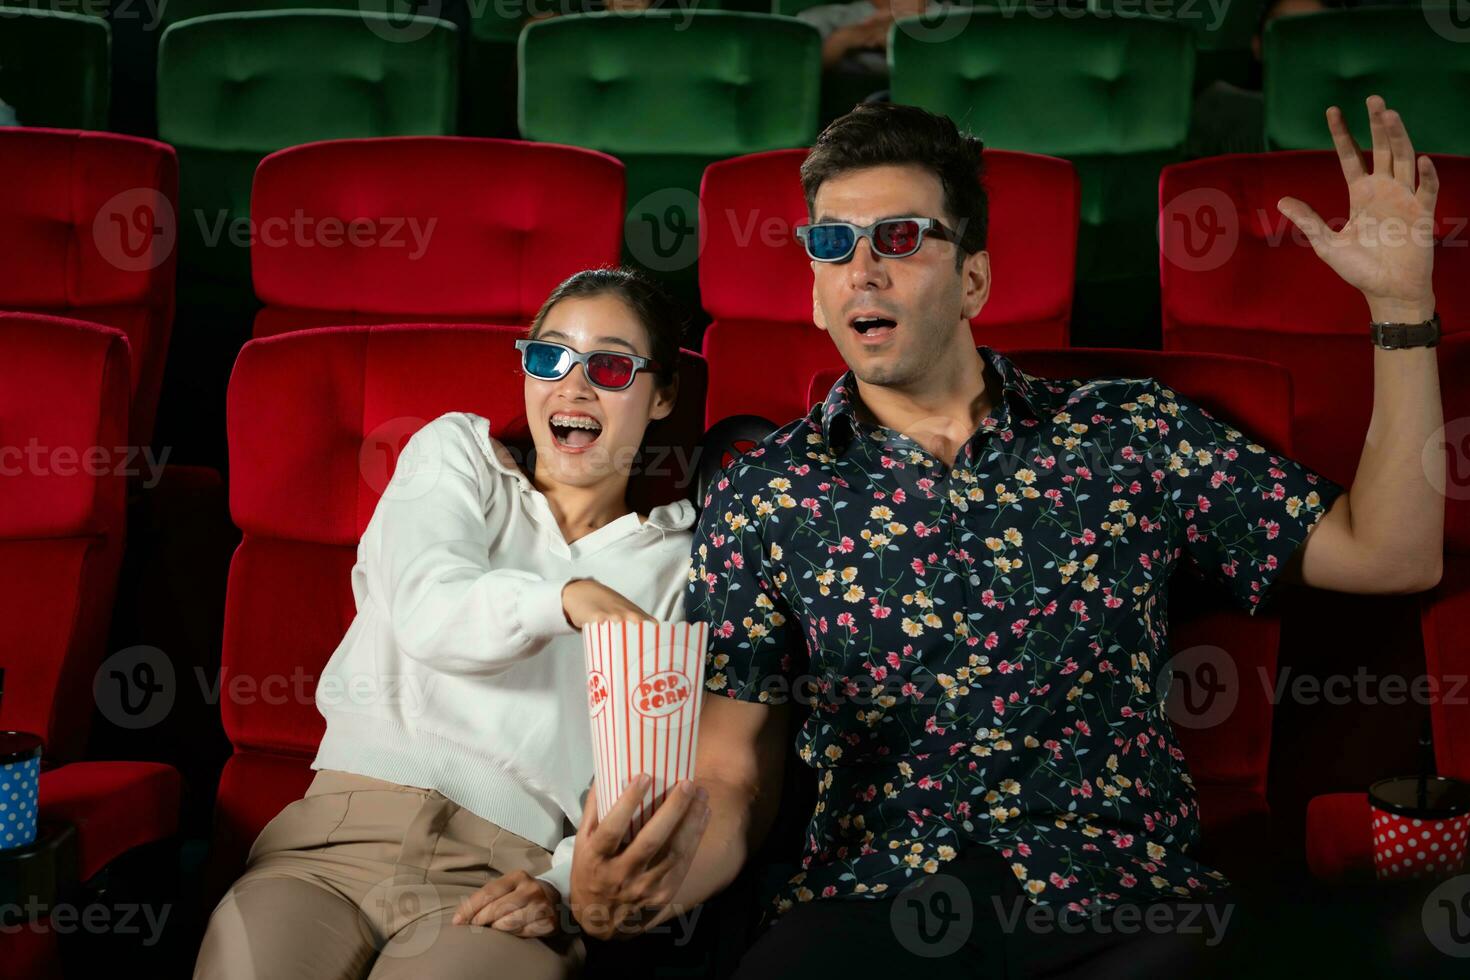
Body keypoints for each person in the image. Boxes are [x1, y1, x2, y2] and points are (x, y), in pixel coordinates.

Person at [567, 98, 1445, 977]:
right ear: (814, 290)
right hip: (871, 900)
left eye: (901, 239)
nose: (862, 270)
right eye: (833, 244)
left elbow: (1392, 553)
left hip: (1116, 897)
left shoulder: (1132, 433)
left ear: (976, 281)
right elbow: (732, 771)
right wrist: (655, 881)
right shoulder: (766, 491)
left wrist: (1402, 305)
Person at [193, 268, 698, 979]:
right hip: (333, 843)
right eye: (549, 356)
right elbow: (433, 613)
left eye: (610, 366)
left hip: (502, 875)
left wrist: (559, 890)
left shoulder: (680, 562)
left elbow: (643, 778)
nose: (573, 388)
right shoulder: (455, 456)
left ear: (662, 395)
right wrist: (569, 599)